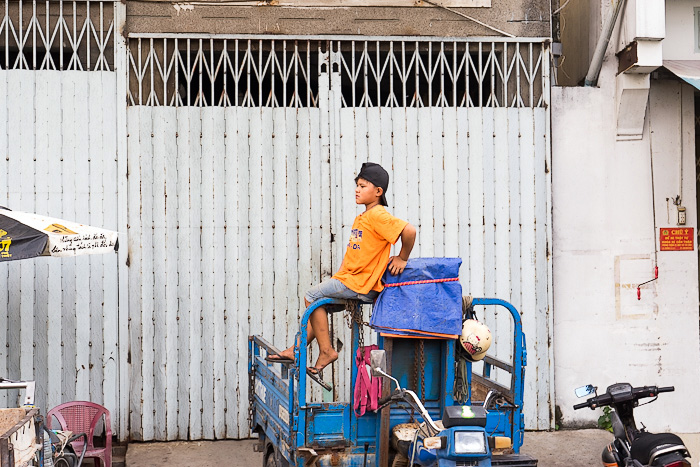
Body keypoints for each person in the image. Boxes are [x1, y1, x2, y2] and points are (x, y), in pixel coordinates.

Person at [268, 162, 416, 386]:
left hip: (359, 283)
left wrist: (402, 257)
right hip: (351, 279)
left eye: (363, 186)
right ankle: (296, 349)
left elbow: (409, 230)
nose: (357, 189)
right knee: (319, 305)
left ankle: (326, 351)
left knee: (311, 296)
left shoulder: (378, 215)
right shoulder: (364, 216)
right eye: (357, 185)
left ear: (378, 192)